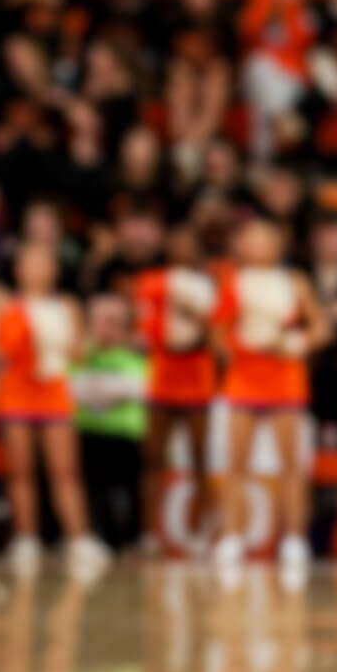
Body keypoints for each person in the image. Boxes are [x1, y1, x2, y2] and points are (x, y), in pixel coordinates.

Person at [212, 218, 331, 581]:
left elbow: (322, 327)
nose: (258, 246)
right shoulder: (233, 281)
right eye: (251, 239)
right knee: (236, 464)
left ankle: (294, 538)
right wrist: (239, 347)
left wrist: (297, 343)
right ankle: (232, 536)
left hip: (285, 380)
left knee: (292, 465)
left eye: (265, 239)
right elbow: (218, 332)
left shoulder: (294, 282)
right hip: (244, 380)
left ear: (278, 246)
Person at [0, 241, 112, 580]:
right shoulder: (6, 306)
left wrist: (83, 344)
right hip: (18, 394)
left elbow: (79, 352)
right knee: (20, 472)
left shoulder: (67, 306)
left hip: (55, 395)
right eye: (29, 262)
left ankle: (79, 538)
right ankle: (26, 538)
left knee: (65, 471)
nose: (36, 269)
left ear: (55, 270)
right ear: (18, 269)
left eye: (43, 262)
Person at [132, 228, 219, 555]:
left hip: (197, 373)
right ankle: (149, 532)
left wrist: (196, 316)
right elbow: (144, 326)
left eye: (188, 244)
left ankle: (202, 530)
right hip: (163, 372)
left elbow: (216, 332)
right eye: (176, 243)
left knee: (200, 456)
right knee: (153, 457)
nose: (182, 249)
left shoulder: (208, 284)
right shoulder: (153, 282)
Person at [70, 292, 149, 549]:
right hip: (88, 432)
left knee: (130, 490)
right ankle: (95, 536)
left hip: (127, 435)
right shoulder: (80, 354)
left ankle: (133, 538)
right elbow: (68, 387)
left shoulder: (138, 354)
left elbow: (141, 387)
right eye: (102, 321)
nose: (107, 328)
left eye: (114, 321)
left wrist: (97, 386)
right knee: (91, 489)